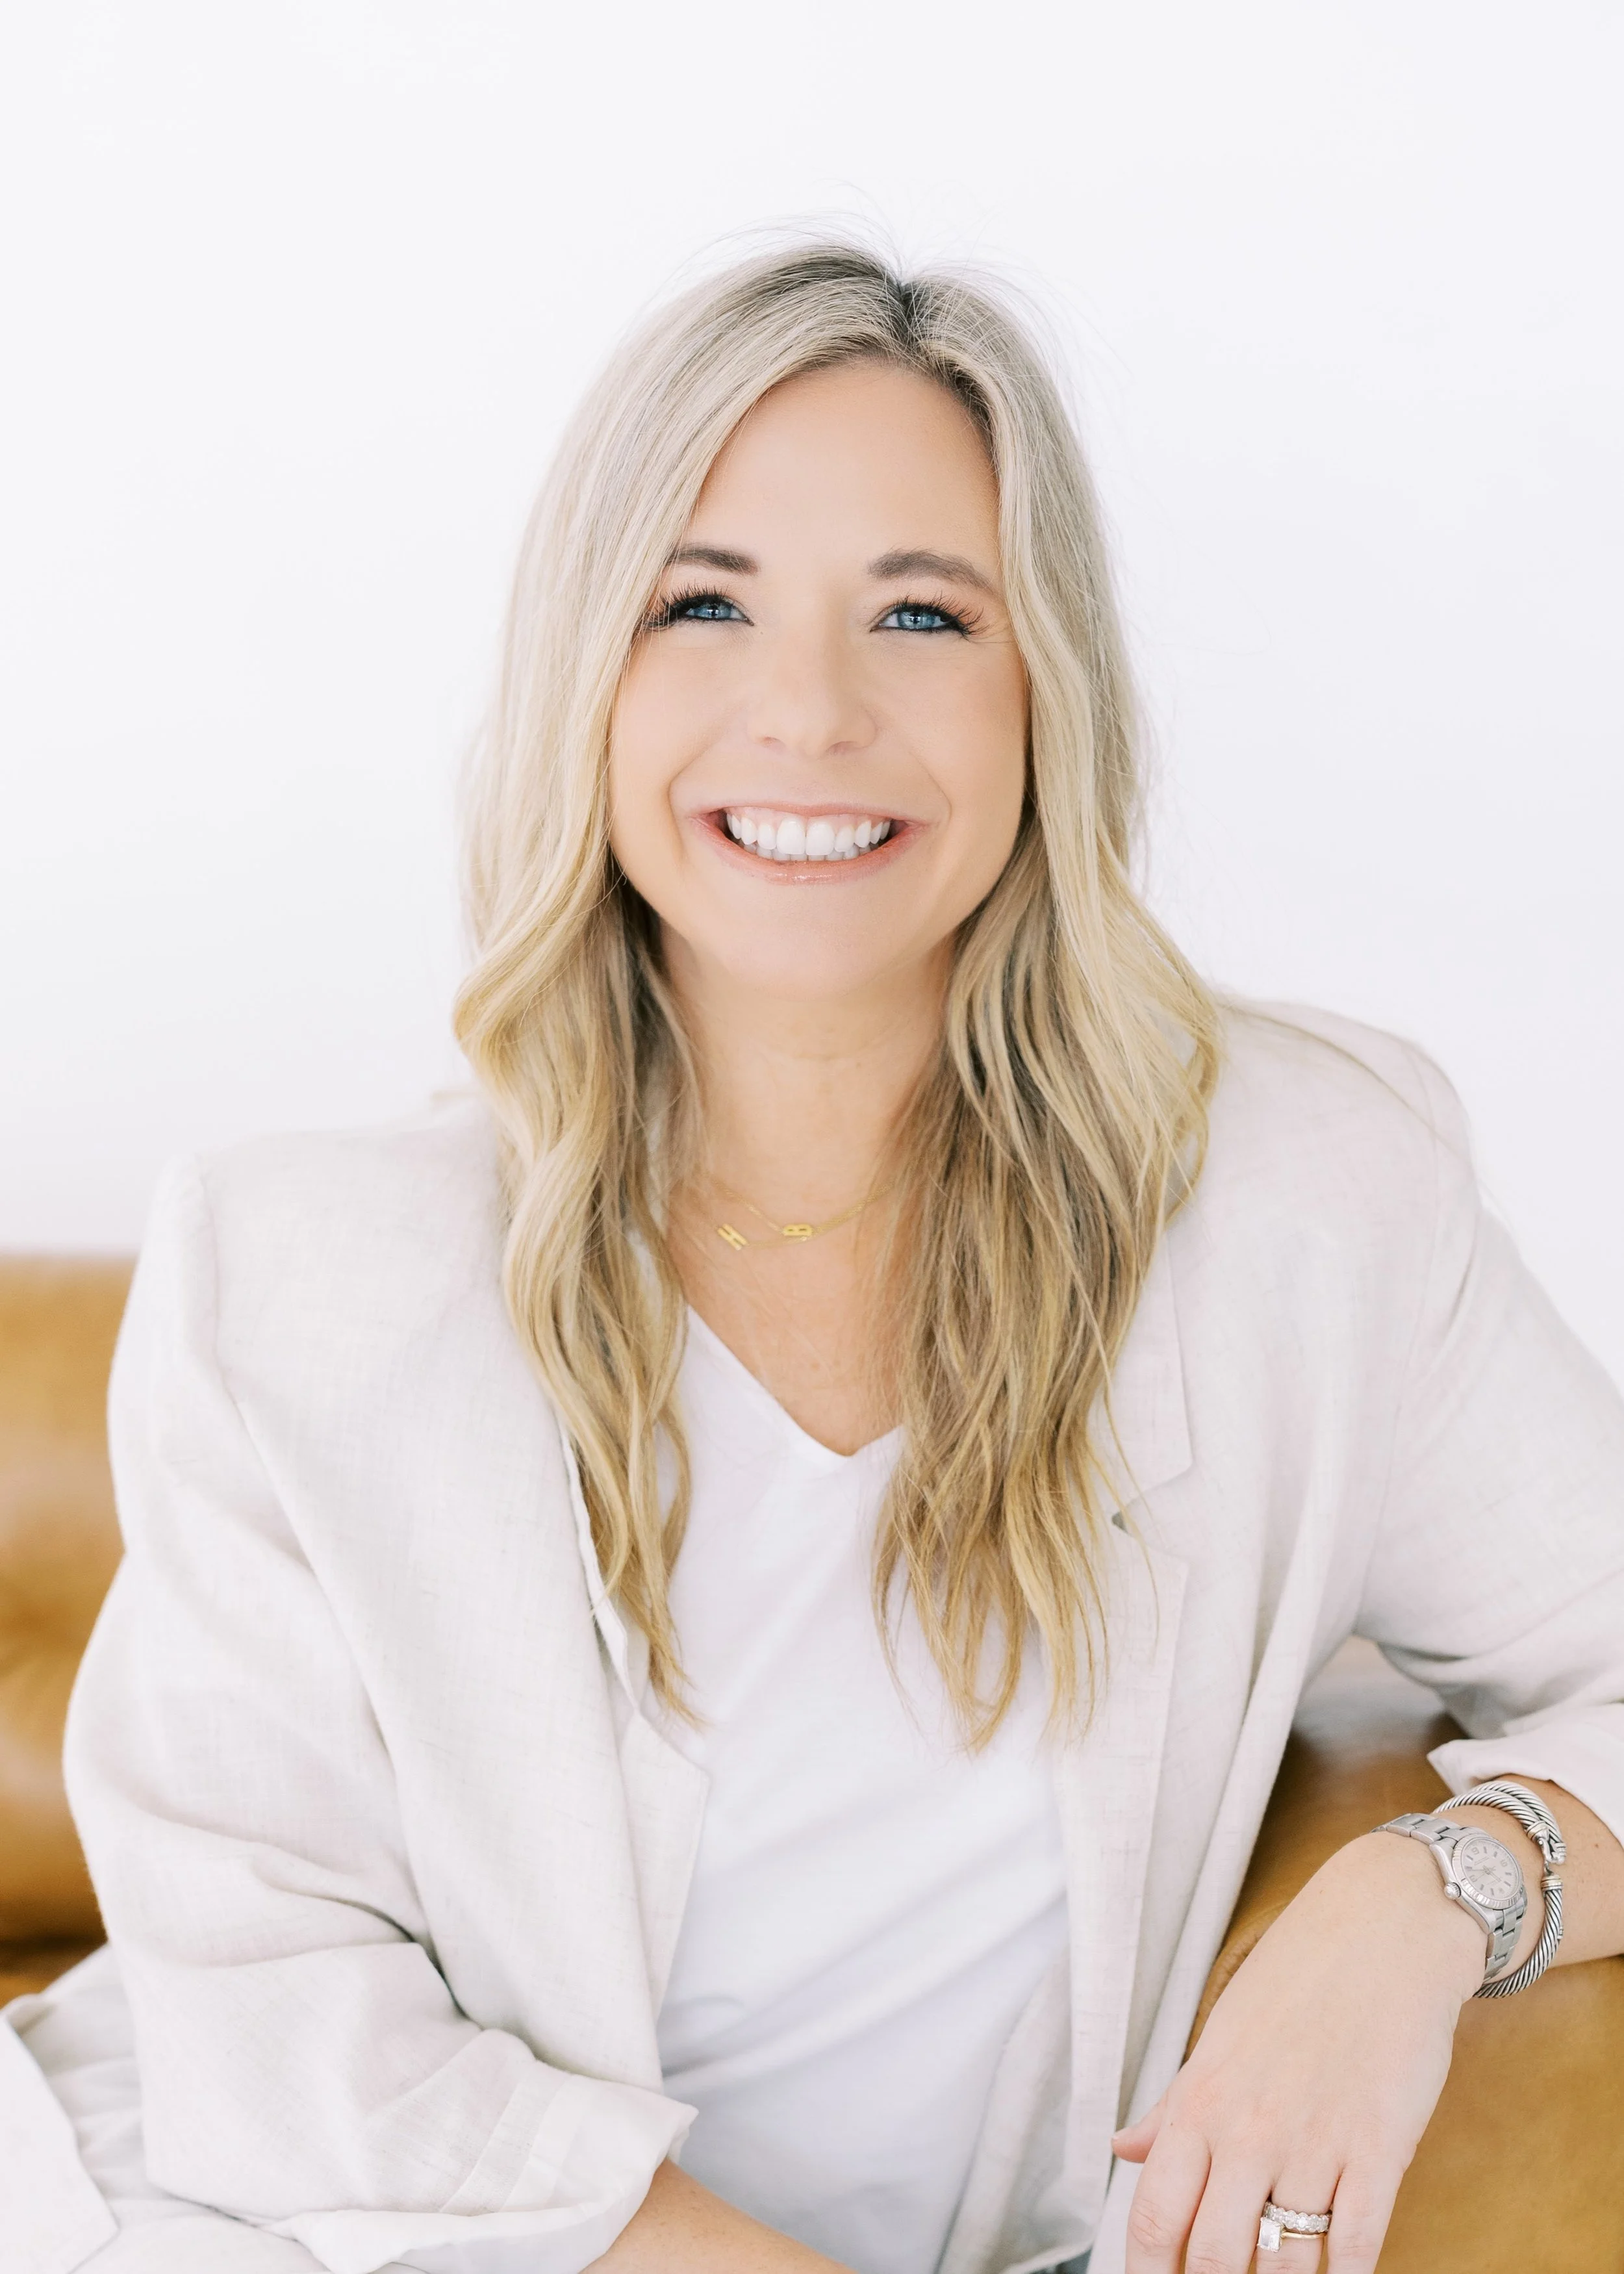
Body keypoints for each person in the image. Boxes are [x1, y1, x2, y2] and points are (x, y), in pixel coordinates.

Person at [4, 241, 1623, 2274]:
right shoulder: (292, 1274)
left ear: (1046, 696)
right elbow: (276, 2029)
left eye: (920, 612)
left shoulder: (1308, 1202)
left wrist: (1425, 1899)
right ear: (587, 683)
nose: (808, 710)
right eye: (703, 603)